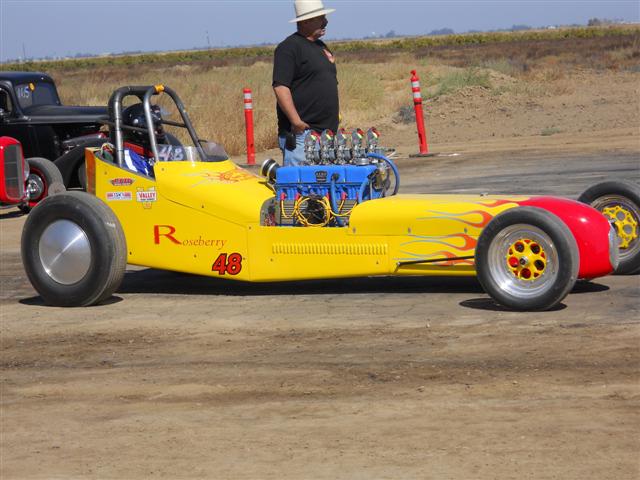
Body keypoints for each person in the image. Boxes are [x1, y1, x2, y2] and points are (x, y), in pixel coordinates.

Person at [272, 0, 339, 166]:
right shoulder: (289, 48)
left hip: (326, 135)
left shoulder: (320, 46)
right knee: (303, 188)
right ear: (305, 22)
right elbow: (280, 87)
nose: (325, 21)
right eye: (320, 18)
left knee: (324, 188)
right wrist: (296, 122)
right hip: (303, 136)